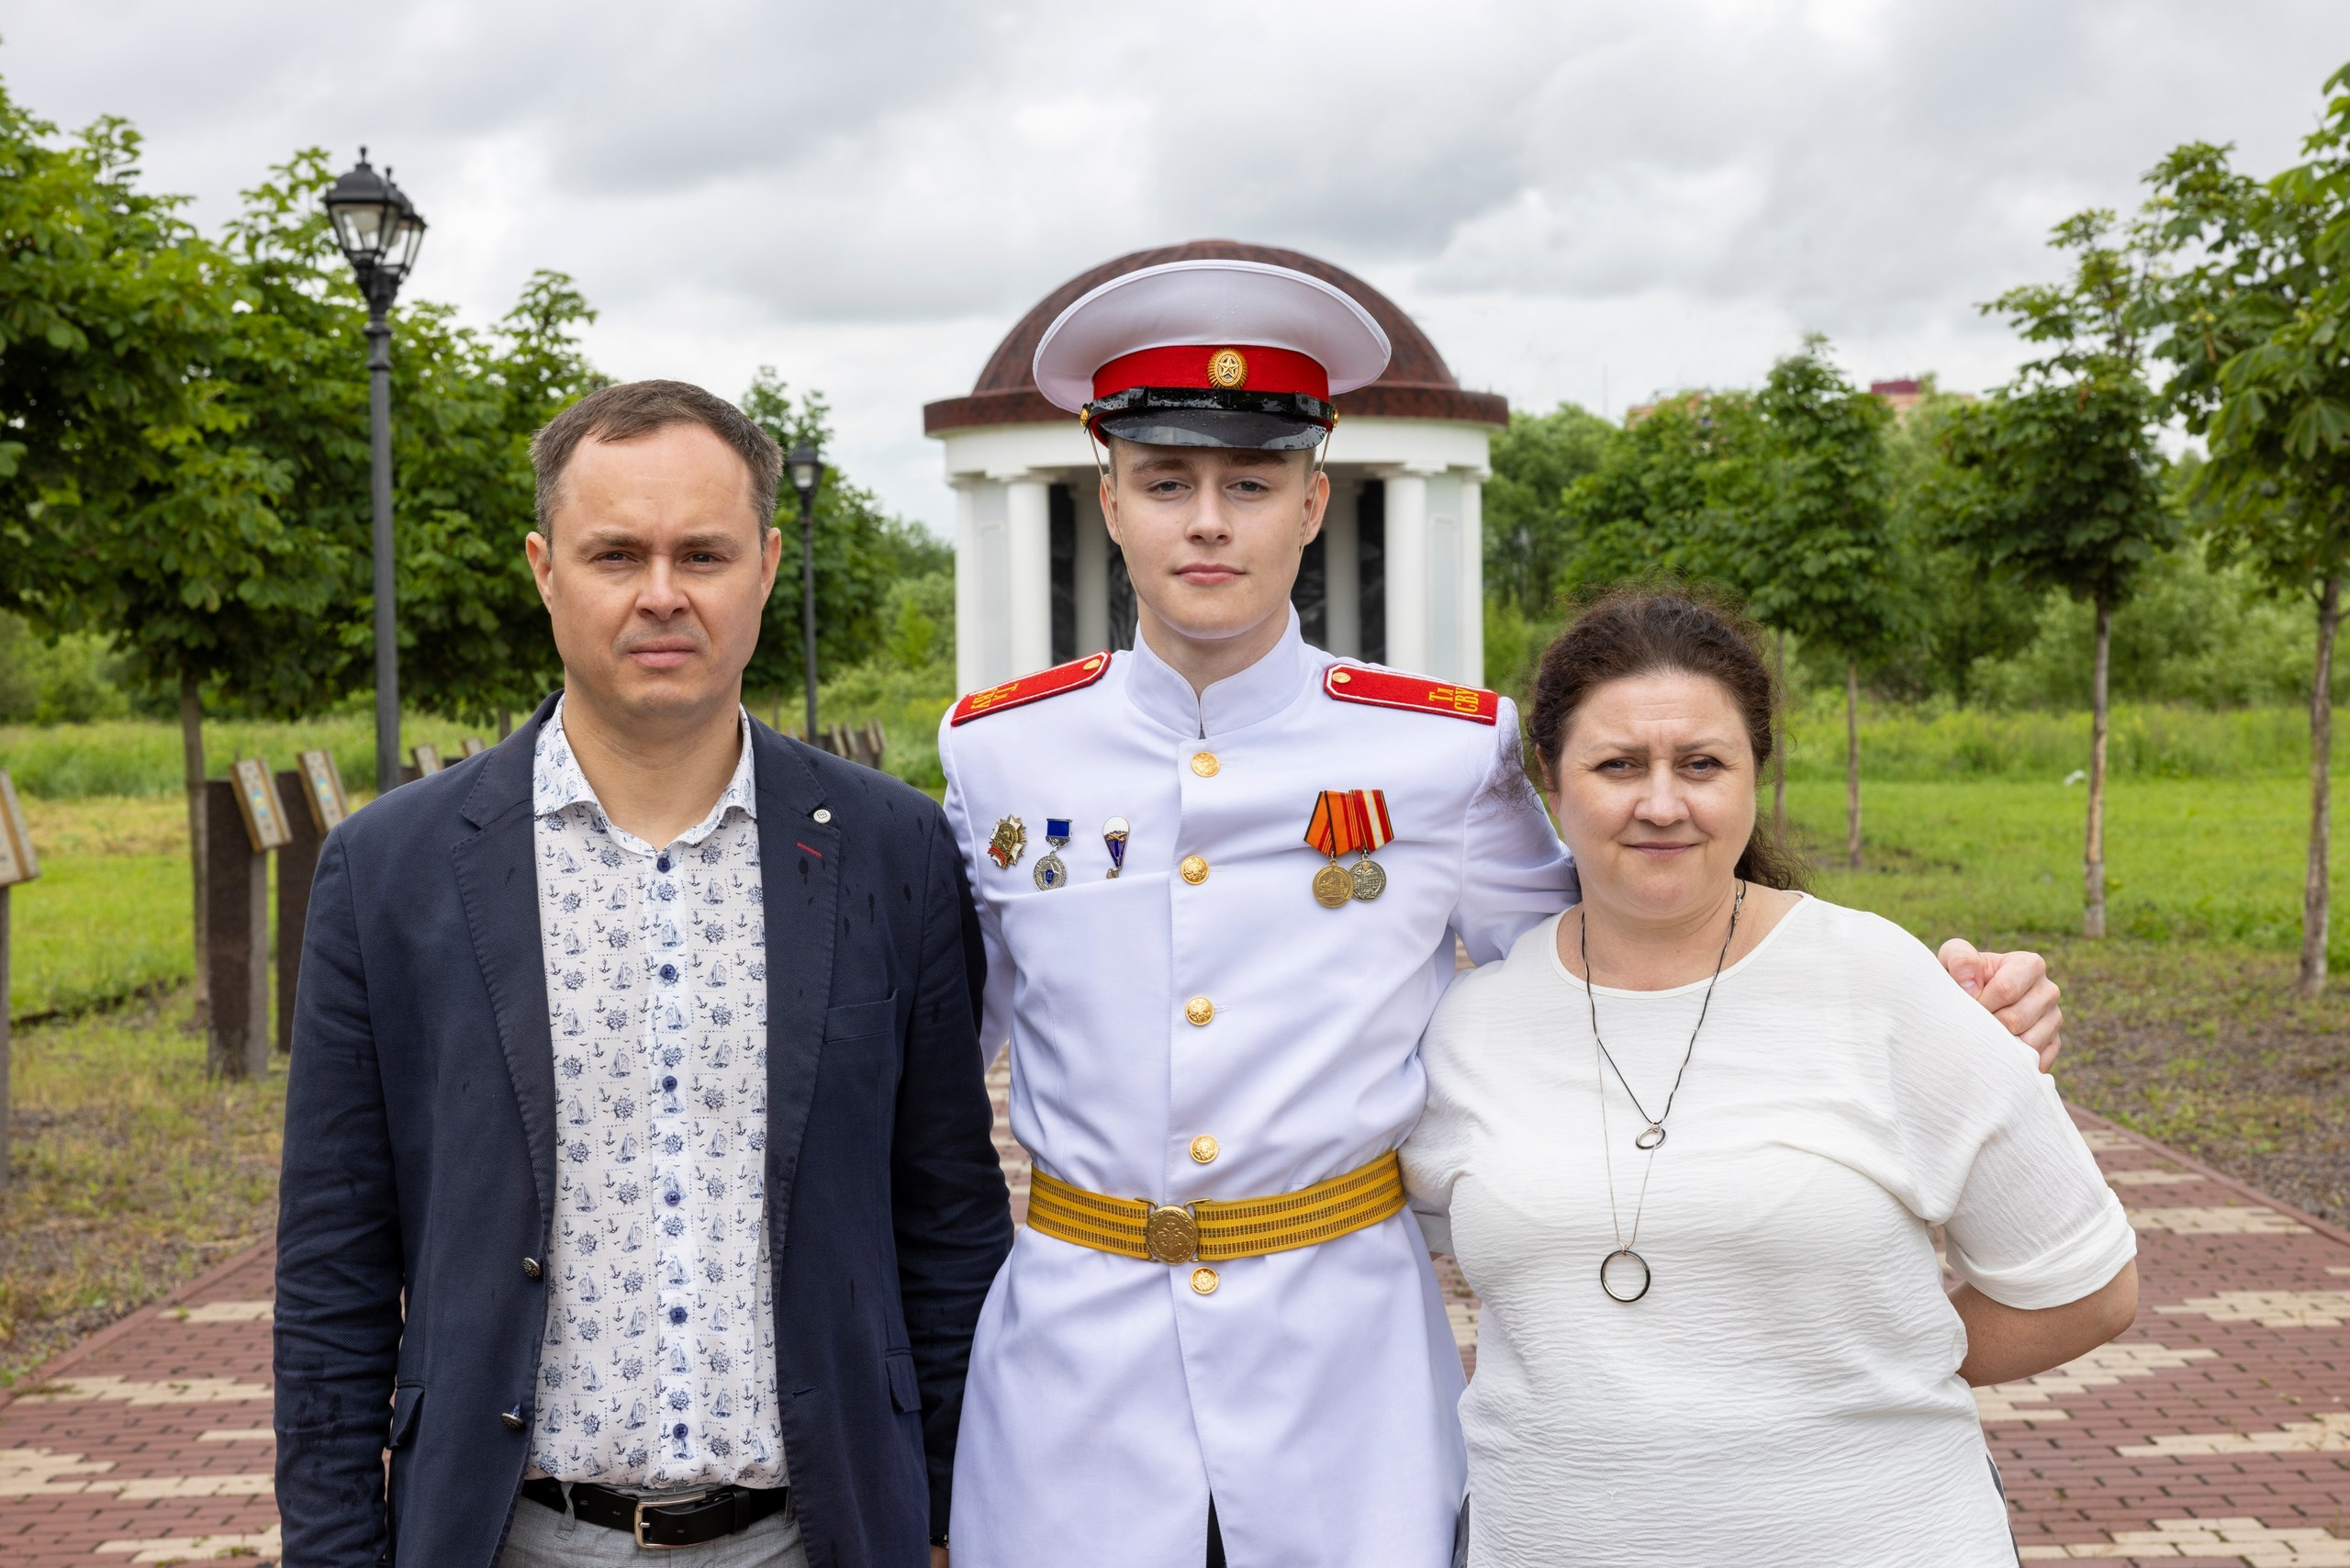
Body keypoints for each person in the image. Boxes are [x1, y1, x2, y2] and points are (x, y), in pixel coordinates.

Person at [934, 259, 2067, 1568]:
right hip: (1074, 1364)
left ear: (1313, 502)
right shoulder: (999, 752)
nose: (1208, 522)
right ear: (1109, 500)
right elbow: (933, 1056)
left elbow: (1623, 956)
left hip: (1341, 1374)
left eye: (1249, 485)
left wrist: (1914, 1009)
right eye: (1167, 481)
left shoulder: (1438, 753)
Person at [274, 380, 1011, 1567]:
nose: (661, 594)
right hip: (511, 1534)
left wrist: (955, 1517)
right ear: (544, 568)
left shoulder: (893, 851)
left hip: (817, 1535)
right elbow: (333, 1268)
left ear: (766, 567)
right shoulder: (388, 872)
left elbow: (946, 1225)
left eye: (703, 553)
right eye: (616, 553)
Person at [1403, 588, 2139, 1567]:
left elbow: (2085, 1289)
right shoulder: (1465, 1029)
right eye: (1617, 764)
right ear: (1549, 776)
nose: (1660, 801)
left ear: (1755, 773)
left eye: (1700, 764)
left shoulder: (1881, 985)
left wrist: (1856, 1370)